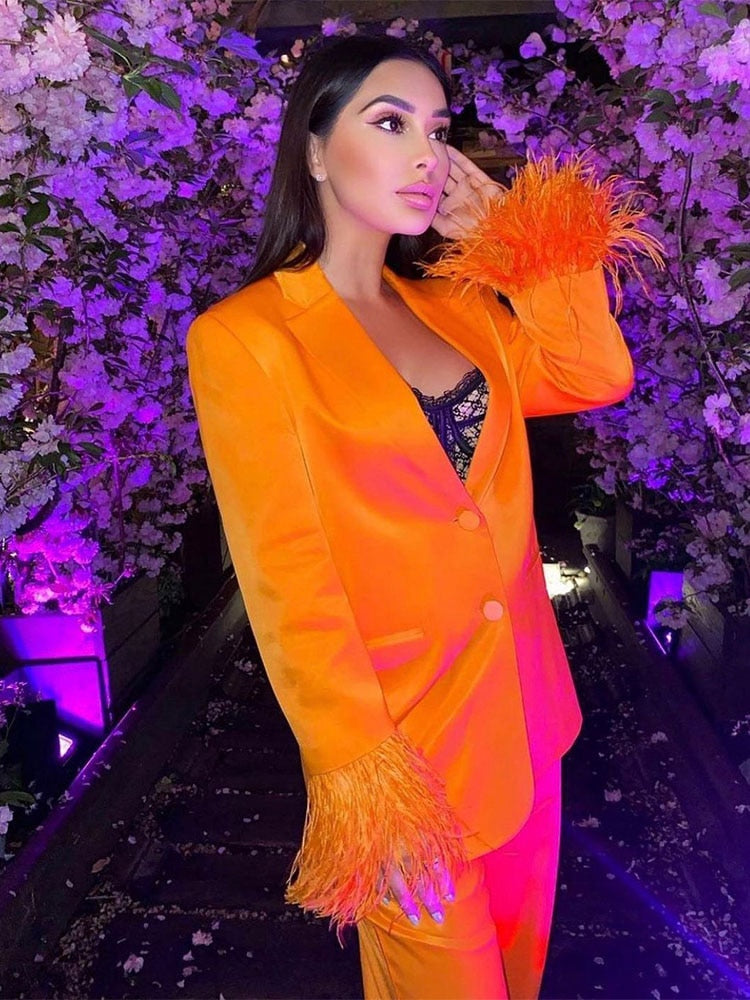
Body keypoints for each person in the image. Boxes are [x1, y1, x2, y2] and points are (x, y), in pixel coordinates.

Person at [186, 33, 661, 1000]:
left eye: (438, 132)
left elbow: (594, 373)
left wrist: (521, 237)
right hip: (402, 755)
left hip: (524, 721)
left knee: (517, 977)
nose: (425, 155)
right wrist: (359, 776)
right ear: (316, 150)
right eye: (390, 123)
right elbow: (288, 583)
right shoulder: (247, 338)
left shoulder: (461, 307)